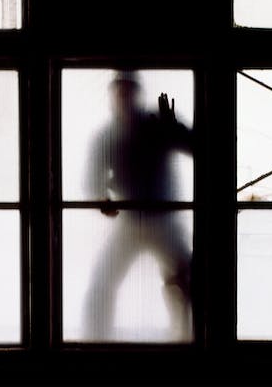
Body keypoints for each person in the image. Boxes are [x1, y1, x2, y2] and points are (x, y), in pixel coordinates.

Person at [83, 70, 194, 342]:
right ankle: (189, 342)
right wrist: (101, 197)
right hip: (141, 221)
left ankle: (186, 339)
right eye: (120, 94)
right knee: (183, 281)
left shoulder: (128, 132)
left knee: (185, 282)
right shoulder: (118, 134)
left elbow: (197, 148)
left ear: (134, 95)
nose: (124, 99)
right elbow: (92, 182)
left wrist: (174, 129)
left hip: (153, 221)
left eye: (127, 93)